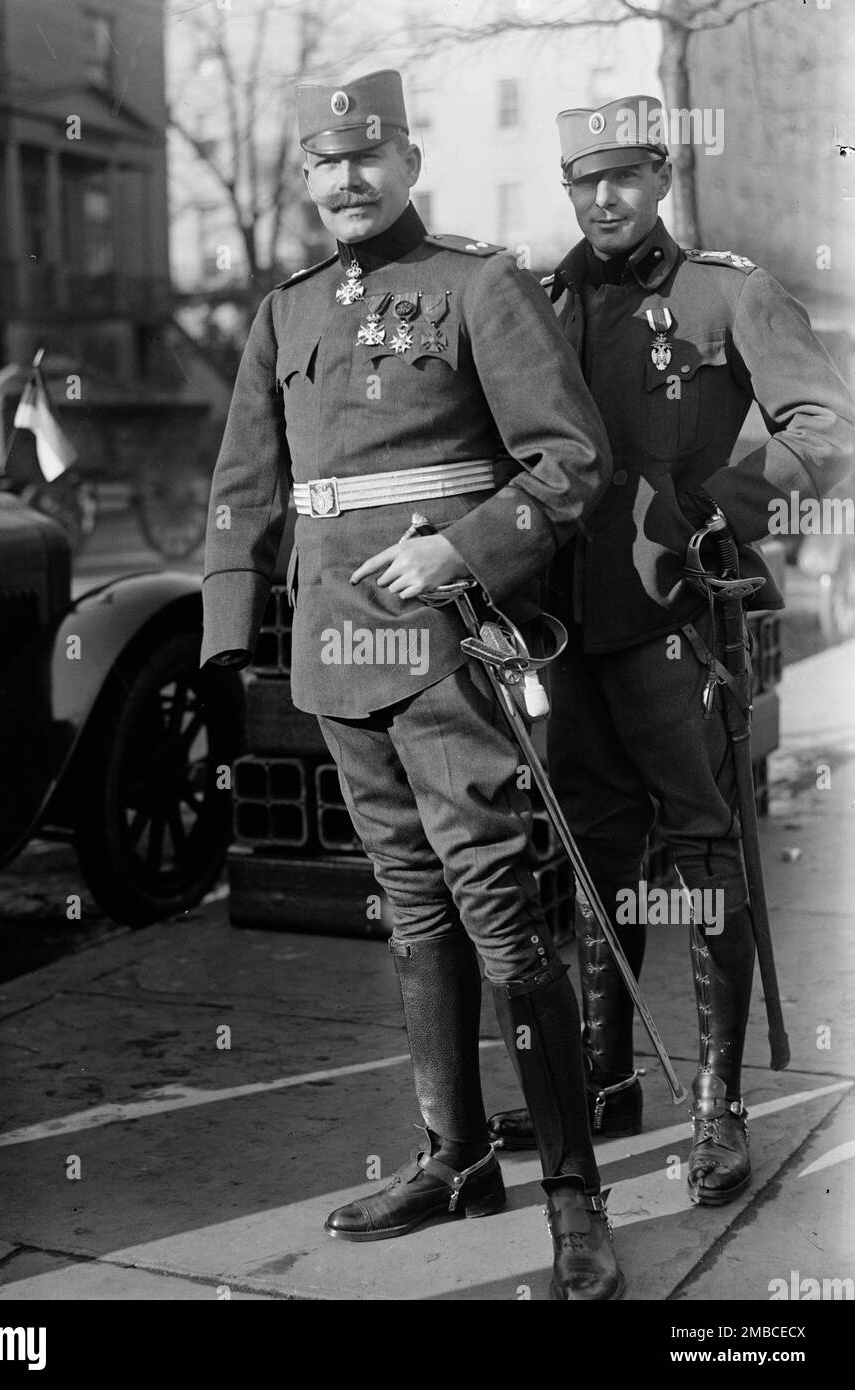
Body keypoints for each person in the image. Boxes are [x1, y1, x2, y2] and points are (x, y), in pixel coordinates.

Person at [201, 69, 625, 1299]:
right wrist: (233, 621)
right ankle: (453, 1156)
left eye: (367, 158)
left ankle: (573, 1193)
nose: (346, 181)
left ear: (408, 163)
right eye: (325, 163)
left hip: (447, 639)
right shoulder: (283, 314)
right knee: (409, 900)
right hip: (338, 649)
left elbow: (569, 459)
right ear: (307, 176)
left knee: (499, 903)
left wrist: (465, 546)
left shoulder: (477, 284)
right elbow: (246, 481)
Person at [487, 95, 855, 1206]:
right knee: (592, 849)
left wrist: (720, 513)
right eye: (583, 180)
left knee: (697, 855)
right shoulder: (540, 301)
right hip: (570, 625)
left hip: (676, 622)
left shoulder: (725, 290)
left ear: (661, 176)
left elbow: (826, 425)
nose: (604, 199)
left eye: (627, 176)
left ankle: (717, 1107)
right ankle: (603, 1079)